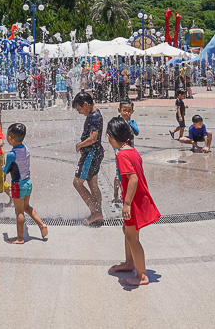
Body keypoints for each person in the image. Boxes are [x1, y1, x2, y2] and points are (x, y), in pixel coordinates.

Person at [106, 116, 160, 286]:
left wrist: (127, 203)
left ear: (111, 137)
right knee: (128, 232)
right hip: (138, 199)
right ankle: (129, 263)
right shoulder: (131, 150)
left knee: (133, 238)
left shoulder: (122, 155)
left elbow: (133, 179)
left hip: (134, 203)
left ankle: (142, 275)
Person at [2, 122, 48, 244]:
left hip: (18, 185)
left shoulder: (11, 154)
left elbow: (6, 170)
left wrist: (2, 167)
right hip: (28, 182)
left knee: (19, 212)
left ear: (10, 138)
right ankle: (41, 225)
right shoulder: (26, 148)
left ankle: (20, 238)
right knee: (26, 207)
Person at [72, 91, 104, 226]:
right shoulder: (94, 114)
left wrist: (80, 145)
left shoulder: (94, 117)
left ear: (86, 104)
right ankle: (98, 214)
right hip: (95, 154)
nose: (80, 112)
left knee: (77, 183)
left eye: (80, 109)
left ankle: (95, 212)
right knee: (93, 185)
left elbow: (93, 138)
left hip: (91, 154)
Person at [111, 100, 140, 204]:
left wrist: (128, 122)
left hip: (130, 152)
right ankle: (115, 194)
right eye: (124, 110)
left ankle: (125, 193)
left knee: (130, 174)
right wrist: (115, 150)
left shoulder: (132, 123)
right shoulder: (116, 123)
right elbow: (112, 137)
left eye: (129, 111)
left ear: (132, 111)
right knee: (118, 173)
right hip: (120, 153)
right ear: (119, 110)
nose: (126, 113)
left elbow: (136, 132)